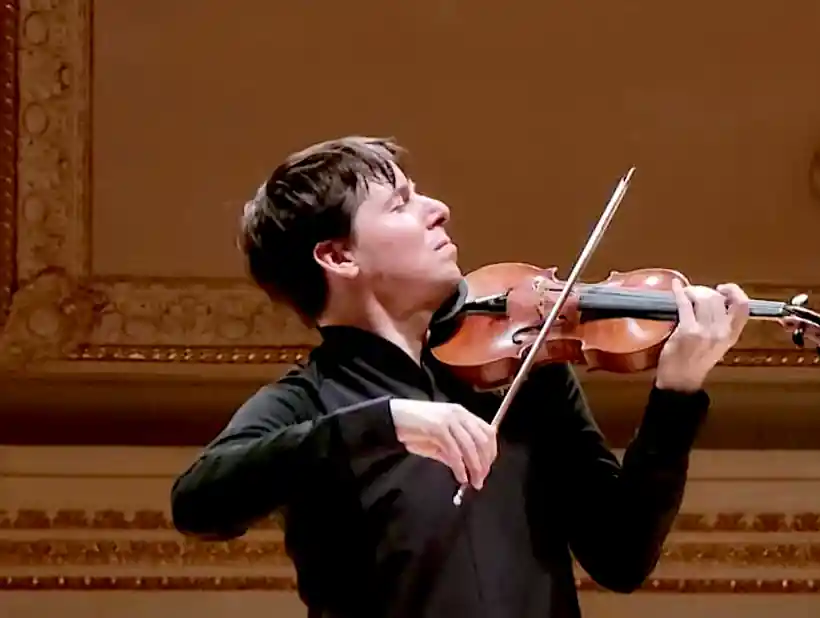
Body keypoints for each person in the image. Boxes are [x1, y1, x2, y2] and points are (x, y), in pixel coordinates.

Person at [170, 136, 752, 618]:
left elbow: (620, 554)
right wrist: (385, 423)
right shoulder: (308, 402)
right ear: (339, 257)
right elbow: (198, 502)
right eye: (399, 204)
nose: (438, 208)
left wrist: (677, 393)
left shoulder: (525, 374)